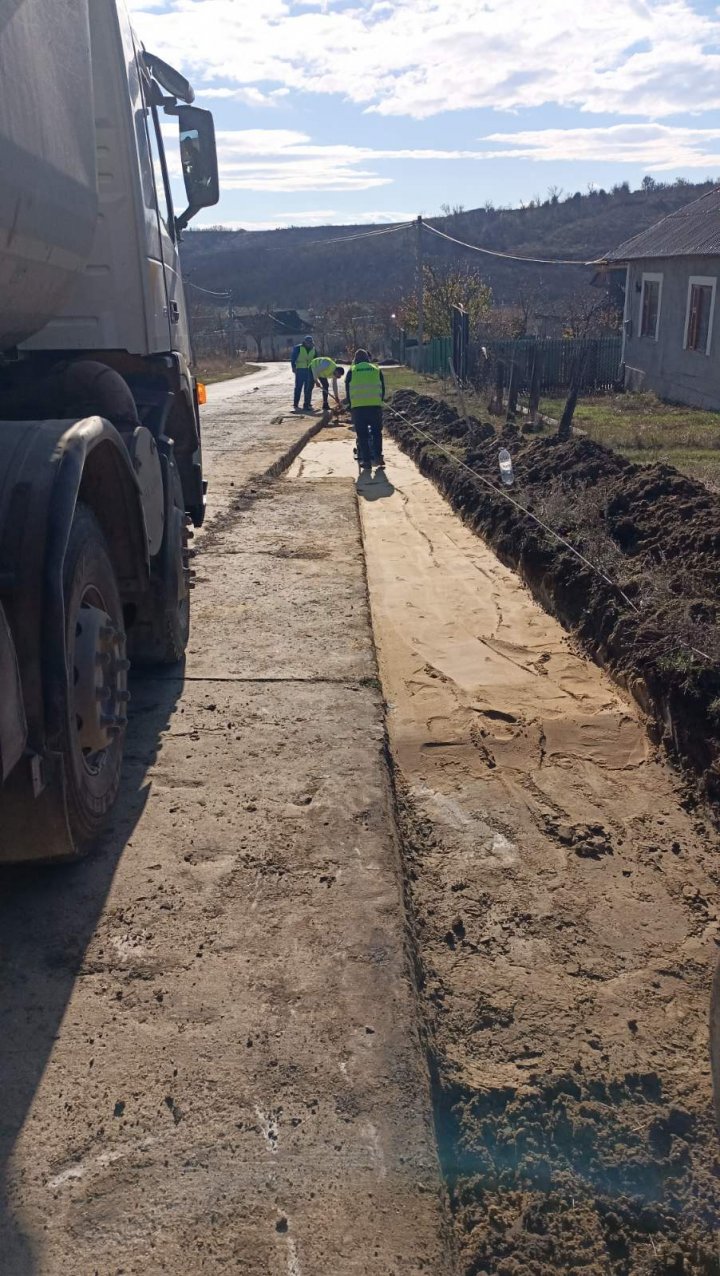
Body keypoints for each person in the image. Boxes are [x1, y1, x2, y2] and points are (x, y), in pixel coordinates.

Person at [345, 349, 386, 468]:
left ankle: (366, 461)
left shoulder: (352, 371)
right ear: (368, 358)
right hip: (375, 407)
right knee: (377, 433)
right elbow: (382, 388)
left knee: (362, 435)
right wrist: (380, 400)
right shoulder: (376, 369)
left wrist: (350, 405)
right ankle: (378, 457)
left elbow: (348, 390)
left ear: (355, 359)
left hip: (358, 409)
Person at [290, 335, 317, 412]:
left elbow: (316, 360)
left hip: (309, 371)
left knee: (308, 388)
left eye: (310, 342)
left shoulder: (313, 349)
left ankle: (307, 403)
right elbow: (293, 358)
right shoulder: (298, 348)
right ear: (304, 342)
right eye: (308, 342)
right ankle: (296, 403)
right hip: (300, 370)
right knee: (298, 387)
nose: (309, 344)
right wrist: (293, 367)